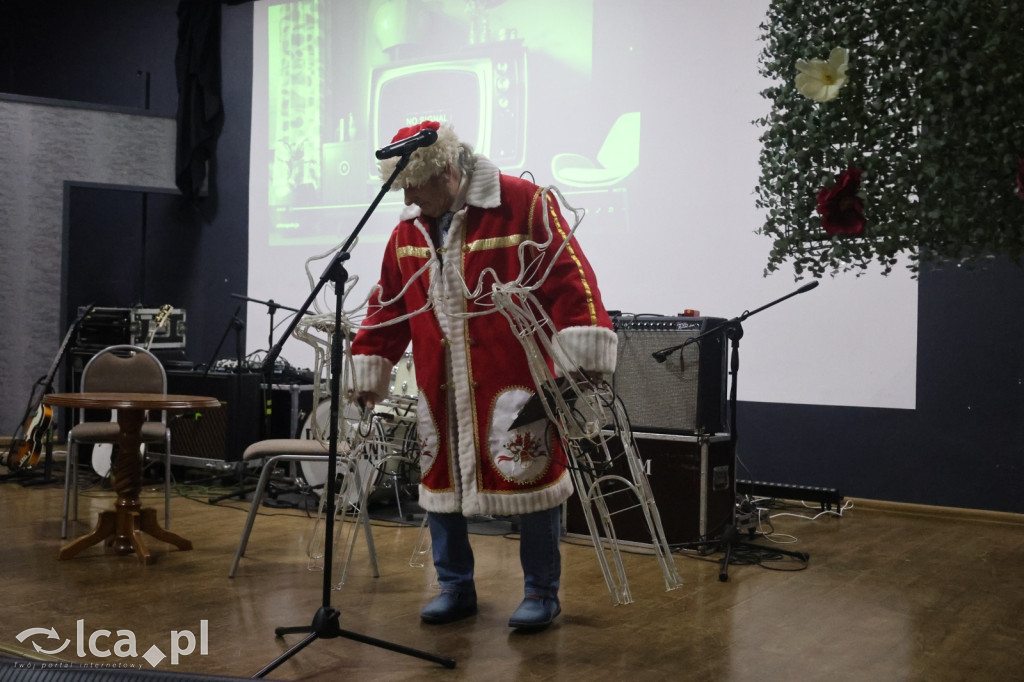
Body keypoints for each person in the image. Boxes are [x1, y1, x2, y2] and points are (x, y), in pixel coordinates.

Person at [349, 120, 617, 631]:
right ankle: (454, 586)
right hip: (438, 382)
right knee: (440, 481)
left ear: (447, 171)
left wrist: (583, 354)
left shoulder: (526, 204)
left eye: (414, 184)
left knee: (532, 477)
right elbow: (386, 305)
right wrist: (370, 361)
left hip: (512, 378)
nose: (406, 196)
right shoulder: (407, 229)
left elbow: (572, 279)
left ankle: (542, 591)